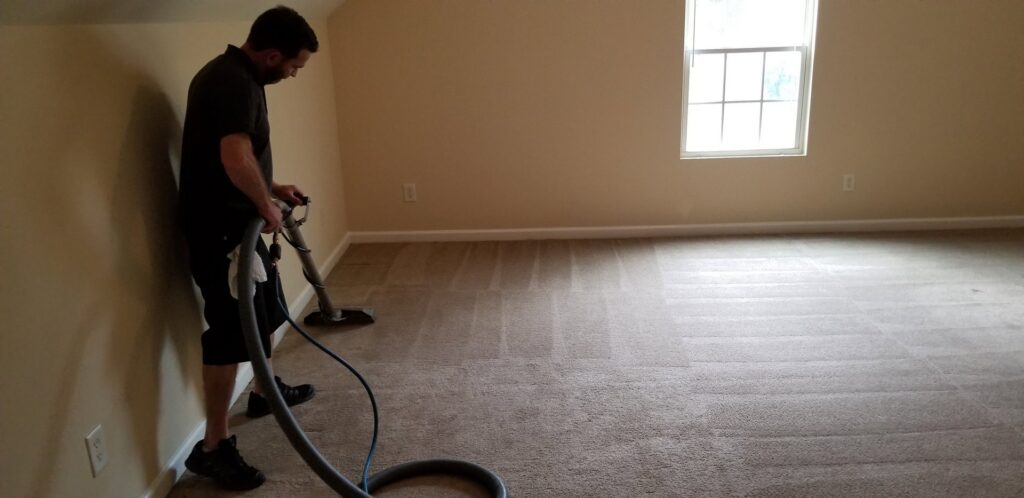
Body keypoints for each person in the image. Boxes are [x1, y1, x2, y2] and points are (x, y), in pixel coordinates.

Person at [178, 6, 319, 490]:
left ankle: (263, 390)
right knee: (228, 333)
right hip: (222, 235)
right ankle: (213, 446)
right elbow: (233, 156)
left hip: (237, 226)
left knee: (264, 312)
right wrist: (266, 206)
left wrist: (272, 188)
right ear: (272, 54)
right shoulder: (233, 83)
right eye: (293, 66)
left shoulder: (234, 74)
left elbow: (240, 156)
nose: (293, 74)